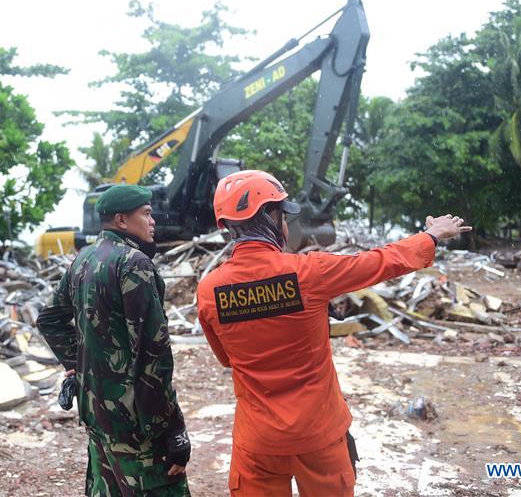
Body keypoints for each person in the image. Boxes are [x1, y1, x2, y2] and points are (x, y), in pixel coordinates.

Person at [196, 170, 471, 497]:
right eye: (283, 216)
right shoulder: (309, 272)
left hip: (258, 441)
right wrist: (431, 236)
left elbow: (227, 358)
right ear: (271, 217)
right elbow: (380, 262)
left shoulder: (209, 290)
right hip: (319, 435)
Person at [37, 184, 191, 497]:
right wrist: (172, 427)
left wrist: (80, 366)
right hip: (136, 423)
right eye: (146, 214)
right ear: (121, 220)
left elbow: (49, 320)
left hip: (97, 412)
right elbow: (152, 355)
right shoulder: (134, 263)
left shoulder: (84, 259)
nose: (153, 221)